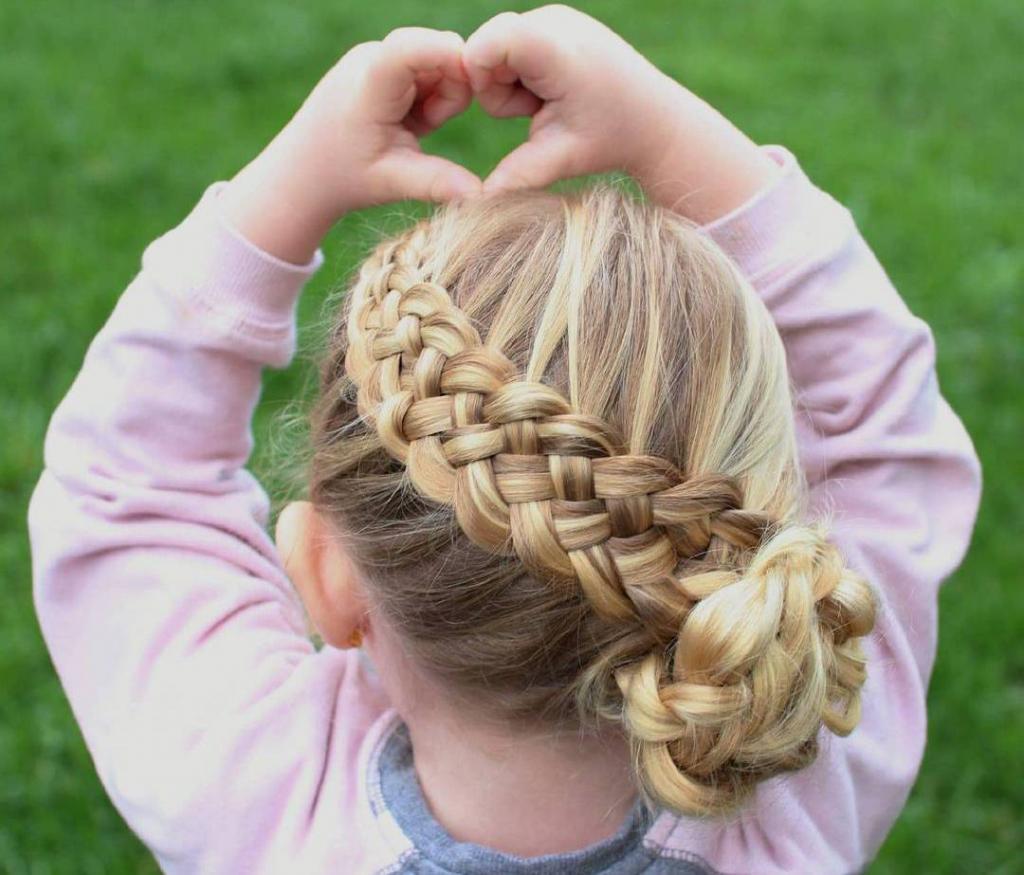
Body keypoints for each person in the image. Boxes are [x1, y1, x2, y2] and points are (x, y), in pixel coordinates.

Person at [28, 7, 981, 873]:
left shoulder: (254, 796)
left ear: (326, 574)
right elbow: (884, 439)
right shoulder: (805, 769)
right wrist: (666, 132)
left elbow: (126, 490)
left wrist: (283, 192)